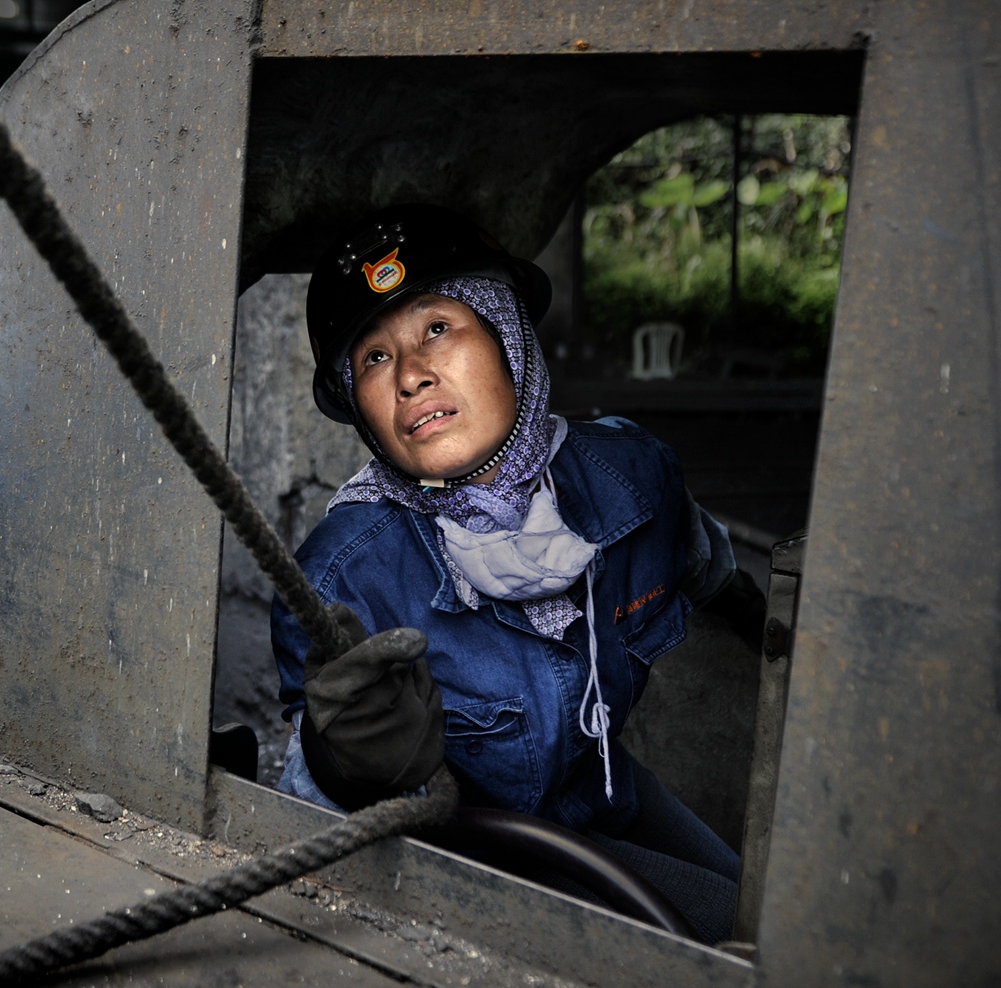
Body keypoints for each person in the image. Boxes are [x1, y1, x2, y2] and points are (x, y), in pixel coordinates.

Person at [270, 204, 767, 944]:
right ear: (362, 409)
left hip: (598, 787)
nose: (410, 376)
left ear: (509, 340)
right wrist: (348, 767)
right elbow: (307, 820)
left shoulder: (630, 477)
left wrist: (767, 620)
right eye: (373, 358)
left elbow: (706, 562)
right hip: (472, 852)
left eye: (437, 327)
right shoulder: (342, 576)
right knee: (735, 943)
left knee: (761, 904)